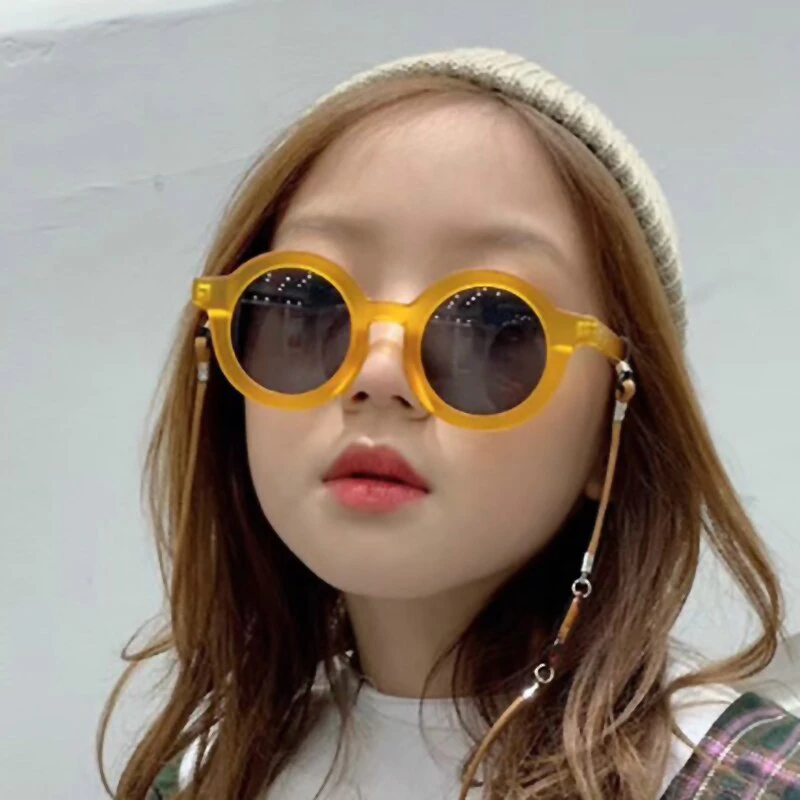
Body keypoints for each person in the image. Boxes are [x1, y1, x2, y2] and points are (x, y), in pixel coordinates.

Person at [98, 48, 800, 799]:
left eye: (491, 327)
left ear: (614, 431)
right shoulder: (208, 775)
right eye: (306, 305)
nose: (377, 375)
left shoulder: (739, 779)